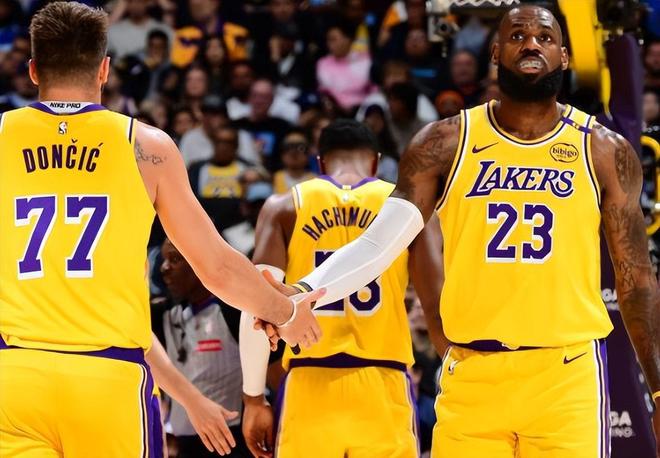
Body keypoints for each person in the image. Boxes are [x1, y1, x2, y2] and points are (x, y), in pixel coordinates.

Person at [267, 6, 660, 457]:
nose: (531, 44)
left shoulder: (604, 149)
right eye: (517, 36)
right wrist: (305, 290)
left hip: (565, 375)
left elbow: (635, 279)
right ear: (495, 52)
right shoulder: (445, 143)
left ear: (565, 56)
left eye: (545, 37)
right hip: (473, 372)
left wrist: (658, 388)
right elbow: (379, 242)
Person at [0, 3, 322, 458]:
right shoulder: (145, 145)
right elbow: (215, 267)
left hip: (15, 376)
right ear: (104, 70)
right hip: (109, 379)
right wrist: (284, 312)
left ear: (33, 70)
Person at [240, 120, 447, 458]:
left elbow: (257, 303)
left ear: (320, 163)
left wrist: (253, 398)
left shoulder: (284, 206)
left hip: (309, 383)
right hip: (383, 380)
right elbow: (436, 305)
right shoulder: (408, 209)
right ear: (376, 163)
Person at [160, 238, 250, 458]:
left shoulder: (235, 312)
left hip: (230, 441)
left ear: (199, 262)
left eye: (174, 259)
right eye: (163, 260)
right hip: (182, 444)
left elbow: (272, 371)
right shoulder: (165, 315)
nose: (164, 268)